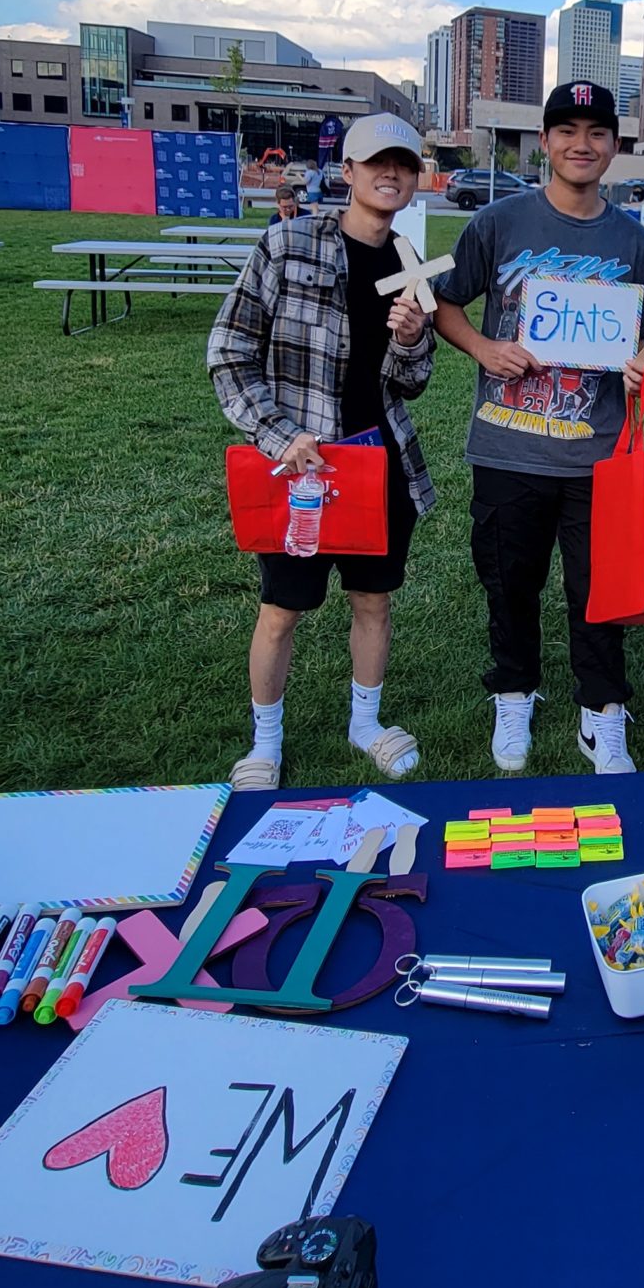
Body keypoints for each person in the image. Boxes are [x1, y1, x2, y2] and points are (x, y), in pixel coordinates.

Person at [434, 81, 644, 778]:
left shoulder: (632, 240)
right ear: (545, 142)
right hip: (509, 441)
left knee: (600, 588)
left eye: (597, 133)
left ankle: (602, 712)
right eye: (567, 131)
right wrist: (483, 348)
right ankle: (515, 691)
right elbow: (446, 304)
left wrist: (641, 364)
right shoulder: (500, 224)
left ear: (615, 149)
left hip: (597, 452)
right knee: (510, 582)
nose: (581, 145)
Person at [209, 113, 435, 791]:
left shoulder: (410, 264)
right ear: (349, 172)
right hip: (300, 466)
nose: (389, 174)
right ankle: (264, 743)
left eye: (402, 164)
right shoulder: (286, 243)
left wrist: (409, 339)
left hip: (377, 464)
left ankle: (365, 724)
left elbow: (414, 382)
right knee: (282, 608)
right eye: (375, 163)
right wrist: (280, 435)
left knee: (373, 602)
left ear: (415, 177)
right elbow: (228, 352)